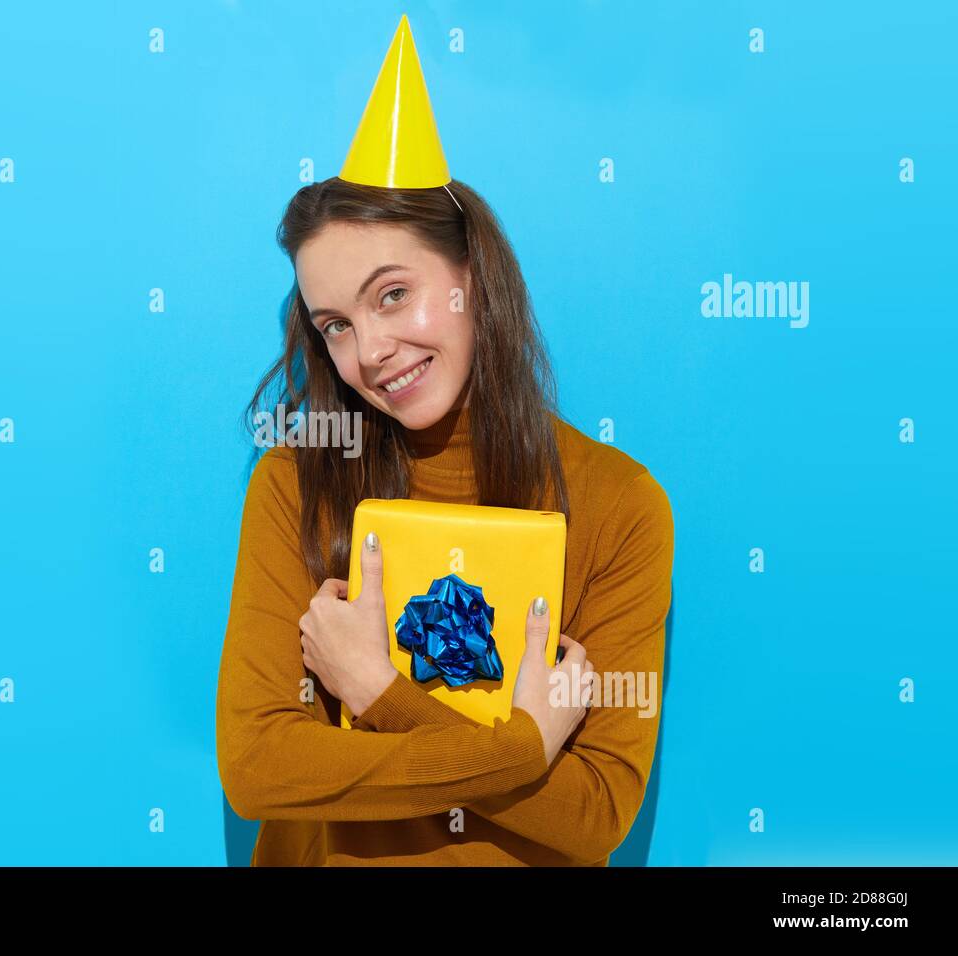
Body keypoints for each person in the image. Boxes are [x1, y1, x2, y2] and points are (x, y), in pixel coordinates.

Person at [215, 15, 674, 866]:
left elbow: (595, 813)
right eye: (336, 326)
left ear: (472, 275)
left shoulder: (619, 506)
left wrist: (380, 692)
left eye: (392, 295)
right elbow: (256, 769)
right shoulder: (294, 485)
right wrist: (520, 746)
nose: (370, 351)